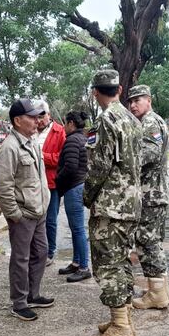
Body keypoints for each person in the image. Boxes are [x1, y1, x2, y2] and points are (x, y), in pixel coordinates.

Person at [84, 70, 142, 336]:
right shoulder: (132, 119)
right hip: (131, 203)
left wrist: (87, 195)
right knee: (122, 260)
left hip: (111, 205)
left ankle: (120, 326)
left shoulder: (106, 120)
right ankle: (124, 318)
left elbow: (100, 165)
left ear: (96, 92)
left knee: (108, 265)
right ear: (119, 89)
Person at [0, 98, 55, 321]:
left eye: (37, 116)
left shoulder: (32, 142)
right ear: (18, 120)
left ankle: (33, 294)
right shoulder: (10, 148)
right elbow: (3, 185)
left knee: (40, 252)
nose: (36, 120)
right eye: (31, 117)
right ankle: (19, 302)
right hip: (23, 214)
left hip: (38, 211)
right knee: (20, 258)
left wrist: (44, 202)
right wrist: (15, 215)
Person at [127, 85, 169, 310]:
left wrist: (125, 159)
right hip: (155, 193)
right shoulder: (154, 121)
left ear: (149, 101)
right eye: (131, 101)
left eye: (138, 100)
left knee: (146, 242)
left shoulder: (150, 122)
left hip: (150, 194)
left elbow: (150, 154)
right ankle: (161, 288)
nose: (133, 105)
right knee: (154, 242)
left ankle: (156, 294)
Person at [55, 110, 91, 283]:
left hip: (73, 187)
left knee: (77, 229)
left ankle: (84, 267)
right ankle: (77, 262)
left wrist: (57, 180)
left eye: (65, 123)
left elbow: (69, 167)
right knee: (76, 228)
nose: (63, 127)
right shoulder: (83, 139)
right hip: (80, 185)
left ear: (71, 123)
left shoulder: (71, 141)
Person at [33, 101, 66, 266]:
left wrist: (41, 156)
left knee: (50, 219)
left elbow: (61, 158)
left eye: (41, 116)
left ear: (48, 114)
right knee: (36, 218)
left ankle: (50, 252)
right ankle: (38, 251)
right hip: (33, 183)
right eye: (36, 116)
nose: (39, 120)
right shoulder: (31, 132)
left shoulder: (59, 131)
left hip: (51, 183)